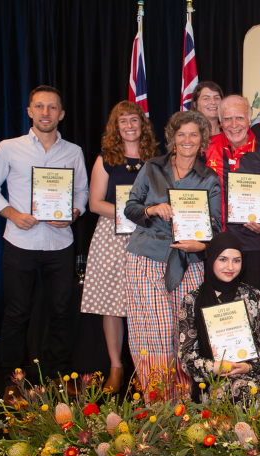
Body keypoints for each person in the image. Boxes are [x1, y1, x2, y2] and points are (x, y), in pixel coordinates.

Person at [0, 85, 89, 399]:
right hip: (20, 241)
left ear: (61, 114)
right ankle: (13, 378)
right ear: (29, 111)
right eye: (39, 107)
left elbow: (81, 191)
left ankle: (59, 376)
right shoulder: (9, 147)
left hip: (60, 243)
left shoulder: (73, 152)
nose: (46, 113)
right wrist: (12, 214)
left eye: (52, 107)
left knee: (61, 312)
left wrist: (74, 212)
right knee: (16, 313)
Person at [124, 110, 221, 401]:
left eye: (194, 134)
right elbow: (130, 208)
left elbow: (214, 226)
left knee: (184, 333)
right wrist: (151, 210)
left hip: (189, 264)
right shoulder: (152, 167)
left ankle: (182, 407)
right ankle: (157, 403)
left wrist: (201, 246)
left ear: (203, 139)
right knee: (152, 333)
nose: (187, 139)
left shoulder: (210, 178)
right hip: (146, 258)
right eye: (181, 134)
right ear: (172, 139)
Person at [204, 95, 260, 385]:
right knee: (227, 310)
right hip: (219, 244)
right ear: (219, 120)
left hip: (258, 243)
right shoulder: (209, 150)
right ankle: (229, 370)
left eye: (239, 117)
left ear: (249, 118)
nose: (233, 124)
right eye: (227, 118)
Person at [80, 100, 159, 393]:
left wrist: (147, 213)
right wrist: (129, 212)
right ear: (116, 126)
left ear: (142, 124)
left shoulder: (156, 158)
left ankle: (144, 367)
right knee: (112, 306)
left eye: (134, 120)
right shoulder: (105, 159)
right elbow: (94, 203)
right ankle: (116, 365)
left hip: (149, 235)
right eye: (122, 121)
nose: (129, 126)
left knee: (145, 303)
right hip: (112, 237)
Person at [178, 232, 260, 403]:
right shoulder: (192, 300)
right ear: (211, 260)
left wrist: (246, 367)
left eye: (236, 260)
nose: (230, 267)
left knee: (245, 392)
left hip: (252, 379)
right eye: (222, 259)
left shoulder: (253, 296)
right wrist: (214, 367)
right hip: (210, 382)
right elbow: (186, 357)